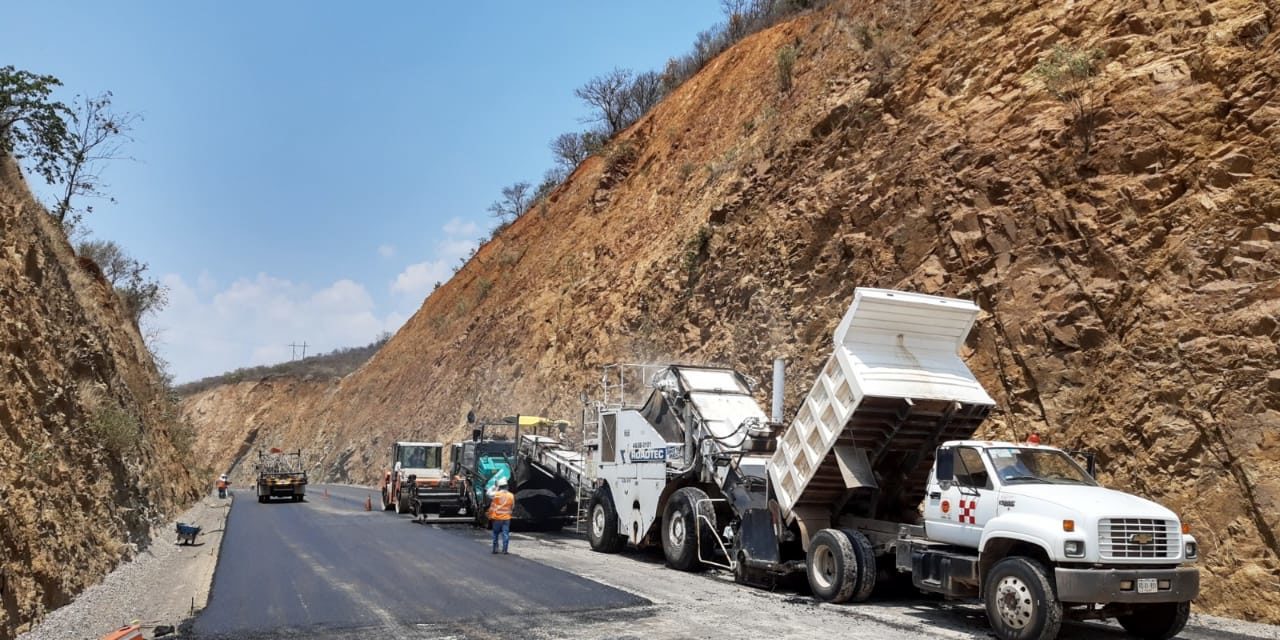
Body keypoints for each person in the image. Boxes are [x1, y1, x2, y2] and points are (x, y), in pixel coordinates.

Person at [487, 478, 515, 554]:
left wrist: (494, 486)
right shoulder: (511, 495)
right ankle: (505, 550)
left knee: (495, 534)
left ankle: (495, 549)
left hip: (497, 518)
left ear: (499, 486)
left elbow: (488, 493)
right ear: (507, 486)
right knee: (505, 534)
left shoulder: (496, 494)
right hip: (506, 518)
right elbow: (512, 507)